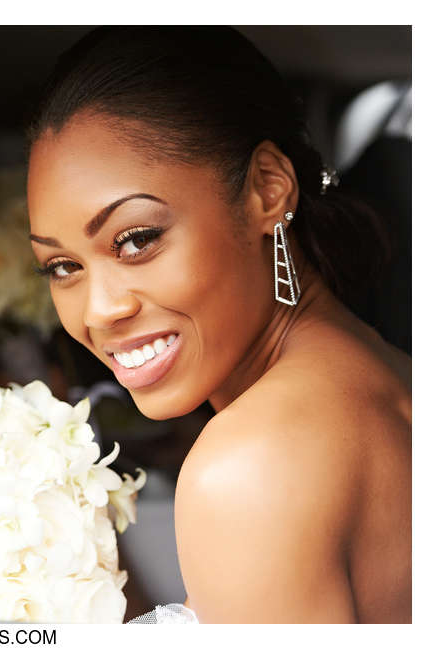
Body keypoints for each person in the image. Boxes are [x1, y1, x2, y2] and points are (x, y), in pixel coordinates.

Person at [25, 27, 411, 623]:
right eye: (62, 266)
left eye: (136, 240)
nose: (100, 309)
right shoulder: (386, 377)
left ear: (267, 188)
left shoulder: (251, 465)